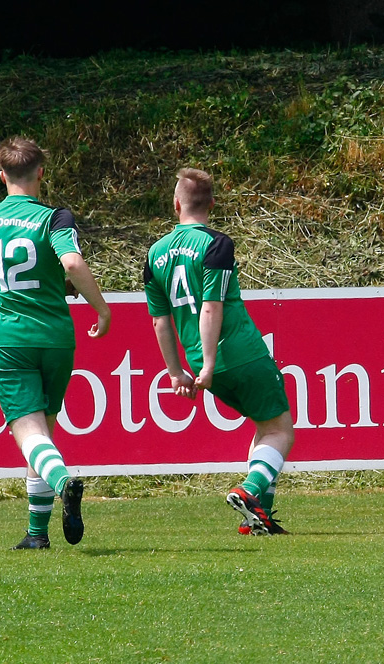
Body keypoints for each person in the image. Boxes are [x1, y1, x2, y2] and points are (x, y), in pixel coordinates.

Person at [0, 136, 111, 549]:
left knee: (29, 433)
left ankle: (65, 480)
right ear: (41, 174)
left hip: (8, 337)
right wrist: (100, 308)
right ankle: (36, 535)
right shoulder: (55, 217)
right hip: (54, 337)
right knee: (44, 434)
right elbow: (69, 262)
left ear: (2, 176)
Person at [144, 168, 294, 535]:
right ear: (212, 204)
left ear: (176, 203)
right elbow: (212, 305)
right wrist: (210, 364)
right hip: (238, 353)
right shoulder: (216, 244)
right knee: (280, 431)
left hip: (197, 360)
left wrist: (177, 371)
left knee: (264, 428)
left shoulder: (154, 253)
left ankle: (258, 519)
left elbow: (160, 321)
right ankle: (250, 490)